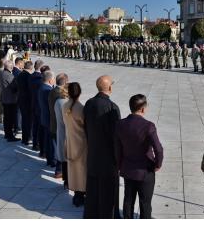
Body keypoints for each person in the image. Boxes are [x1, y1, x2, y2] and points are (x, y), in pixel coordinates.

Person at [115, 94, 163, 219]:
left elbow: (118, 148)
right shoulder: (148, 126)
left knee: (128, 201)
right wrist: (158, 165)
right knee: (145, 204)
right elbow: (158, 149)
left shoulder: (120, 124)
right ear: (142, 109)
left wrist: (120, 165)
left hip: (128, 169)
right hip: (145, 171)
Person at [83, 75, 121, 219]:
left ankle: (92, 214)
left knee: (93, 186)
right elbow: (116, 136)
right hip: (108, 156)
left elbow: (86, 127)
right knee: (108, 189)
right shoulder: (112, 108)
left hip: (93, 152)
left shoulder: (88, 103)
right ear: (109, 88)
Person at [63, 82, 87, 207]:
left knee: (73, 170)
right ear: (80, 93)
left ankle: (76, 194)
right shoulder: (80, 108)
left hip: (70, 141)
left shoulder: (65, 106)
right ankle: (81, 194)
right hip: (81, 143)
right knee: (82, 170)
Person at [49, 73, 68, 178]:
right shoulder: (61, 95)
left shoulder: (51, 91)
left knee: (57, 148)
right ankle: (59, 171)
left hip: (53, 123)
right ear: (65, 82)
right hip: (59, 125)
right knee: (61, 149)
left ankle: (58, 168)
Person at [0, 60, 20, 142]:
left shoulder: (2, 73)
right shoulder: (9, 75)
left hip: (4, 98)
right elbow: (14, 87)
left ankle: (7, 134)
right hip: (10, 99)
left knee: (6, 118)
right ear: (11, 67)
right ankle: (10, 135)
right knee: (10, 118)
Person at [39, 70, 56, 167]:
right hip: (49, 119)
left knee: (48, 140)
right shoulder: (49, 91)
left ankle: (49, 159)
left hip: (44, 118)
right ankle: (52, 160)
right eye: (53, 79)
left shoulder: (41, 87)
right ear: (50, 80)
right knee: (51, 142)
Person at [17, 60, 33, 145]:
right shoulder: (29, 76)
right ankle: (28, 138)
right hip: (27, 100)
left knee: (24, 120)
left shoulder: (20, 74)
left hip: (21, 99)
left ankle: (24, 138)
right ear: (31, 67)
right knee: (29, 120)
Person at [30, 60, 45, 152]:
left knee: (34, 125)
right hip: (39, 106)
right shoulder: (41, 79)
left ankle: (35, 143)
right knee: (40, 126)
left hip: (32, 103)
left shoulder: (30, 76)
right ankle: (39, 144)